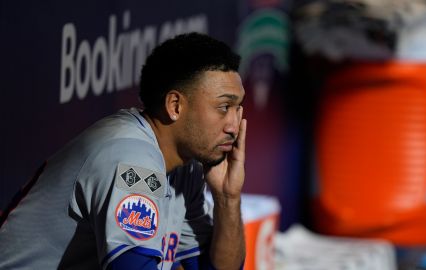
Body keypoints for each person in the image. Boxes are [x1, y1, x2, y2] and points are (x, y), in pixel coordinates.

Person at [0, 32, 246, 270]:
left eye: (238, 109)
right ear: (175, 106)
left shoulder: (186, 166)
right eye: (224, 107)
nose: (234, 126)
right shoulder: (131, 158)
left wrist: (227, 198)